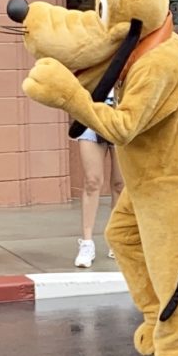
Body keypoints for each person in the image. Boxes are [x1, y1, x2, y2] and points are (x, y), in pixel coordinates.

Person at [73, 92, 124, 268]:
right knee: (92, 181)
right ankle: (87, 242)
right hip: (92, 112)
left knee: (120, 184)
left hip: (121, 115)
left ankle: (117, 240)